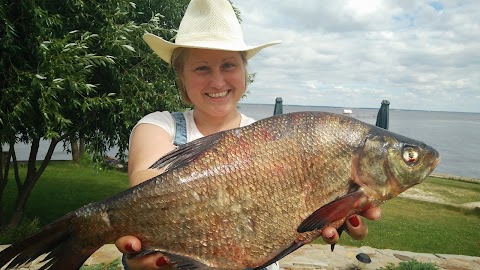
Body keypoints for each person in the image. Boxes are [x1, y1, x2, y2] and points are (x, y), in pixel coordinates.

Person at [115, 0, 382, 269]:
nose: (217, 81)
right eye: (201, 68)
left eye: (229, 65)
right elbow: (146, 189)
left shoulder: (270, 137)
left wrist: (332, 211)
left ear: (245, 72)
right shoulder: (159, 126)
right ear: (181, 78)